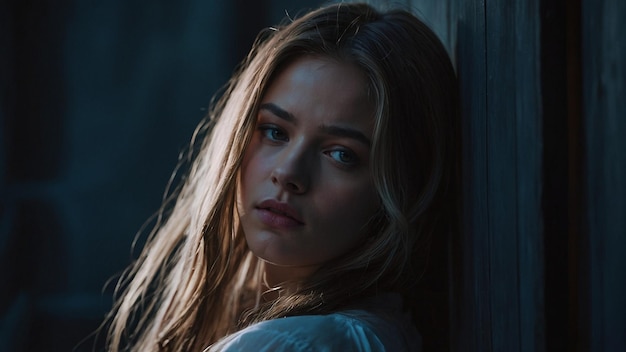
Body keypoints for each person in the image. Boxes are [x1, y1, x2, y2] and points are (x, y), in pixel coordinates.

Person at [103, 2, 459, 351]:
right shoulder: (378, 330)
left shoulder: (291, 344)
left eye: (341, 154)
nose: (288, 174)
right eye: (275, 132)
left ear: (400, 189)